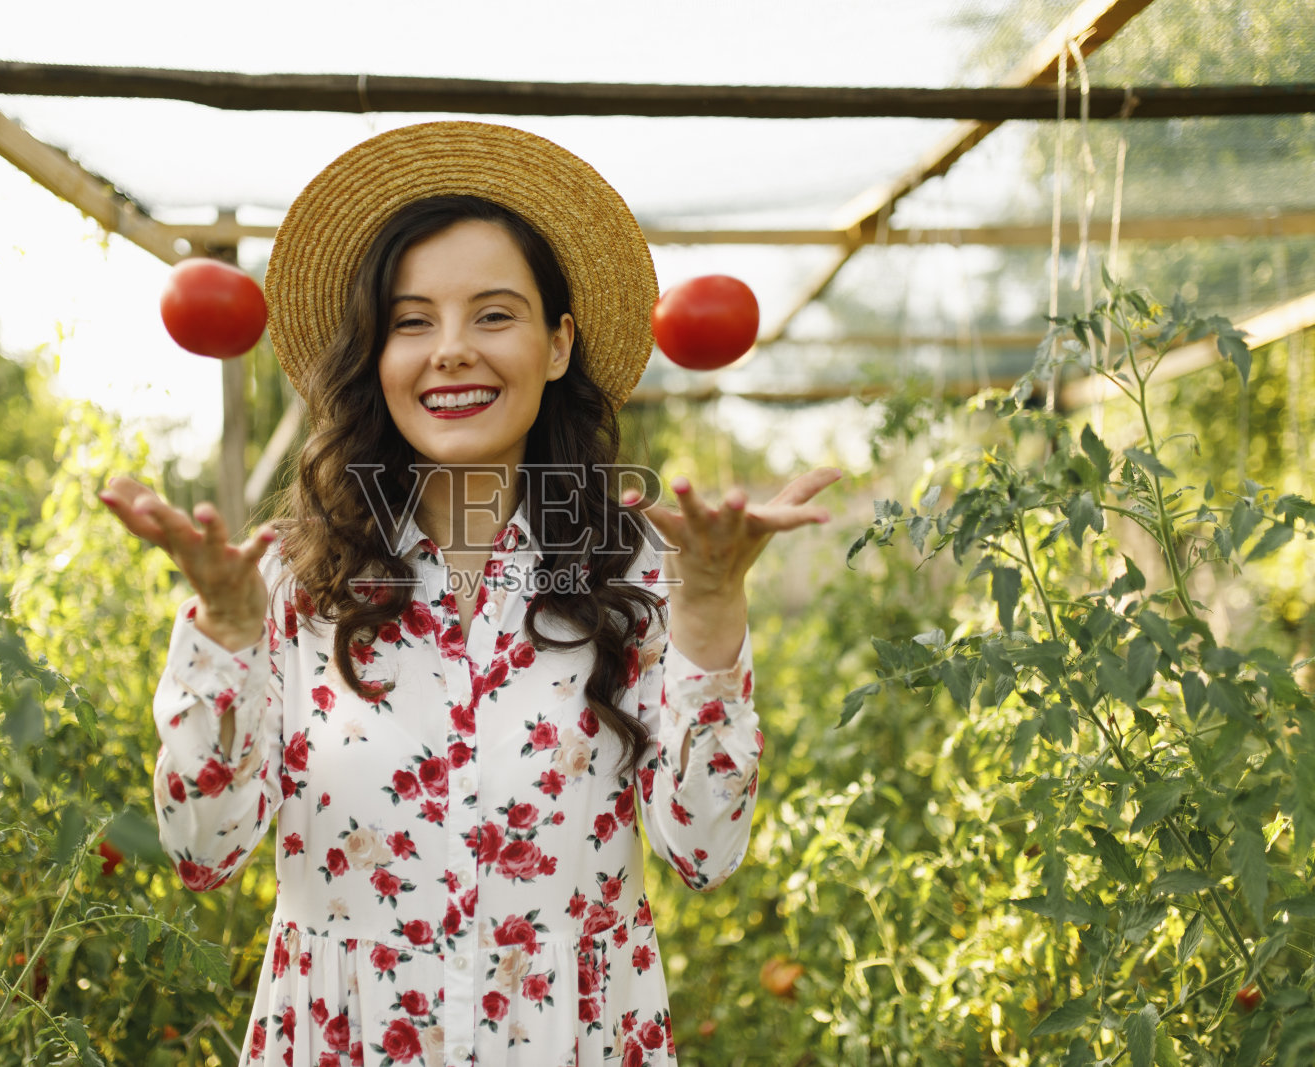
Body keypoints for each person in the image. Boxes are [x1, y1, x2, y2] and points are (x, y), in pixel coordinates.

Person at [99, 122, 839, 1067]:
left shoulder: (641, 574)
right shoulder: (290, 584)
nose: (451, 350)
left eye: (494, 315)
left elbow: (705, 850)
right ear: (375, 354)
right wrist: (229, 634)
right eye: (412, 321)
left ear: (559, 343)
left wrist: (710, 612)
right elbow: (202, 852)